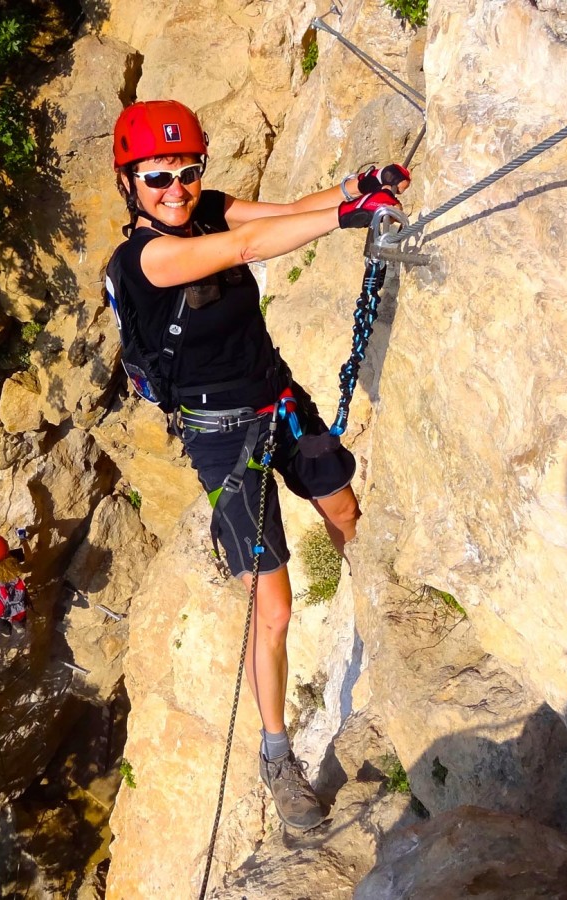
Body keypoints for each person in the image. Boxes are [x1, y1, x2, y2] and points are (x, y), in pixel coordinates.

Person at [108, 99, 410, 831]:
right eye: (157, 178)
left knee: (344, 510)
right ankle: (278, 758)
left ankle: (382, 634)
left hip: (277, 402)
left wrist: (349, 189)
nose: (176, 190)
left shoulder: (207, 208)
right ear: (129, 184)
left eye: (187, 172)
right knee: (271, 609)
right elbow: (247, 250)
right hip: (222, 441)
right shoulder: (145, 258)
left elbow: (281, 211)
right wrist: (348, 220)